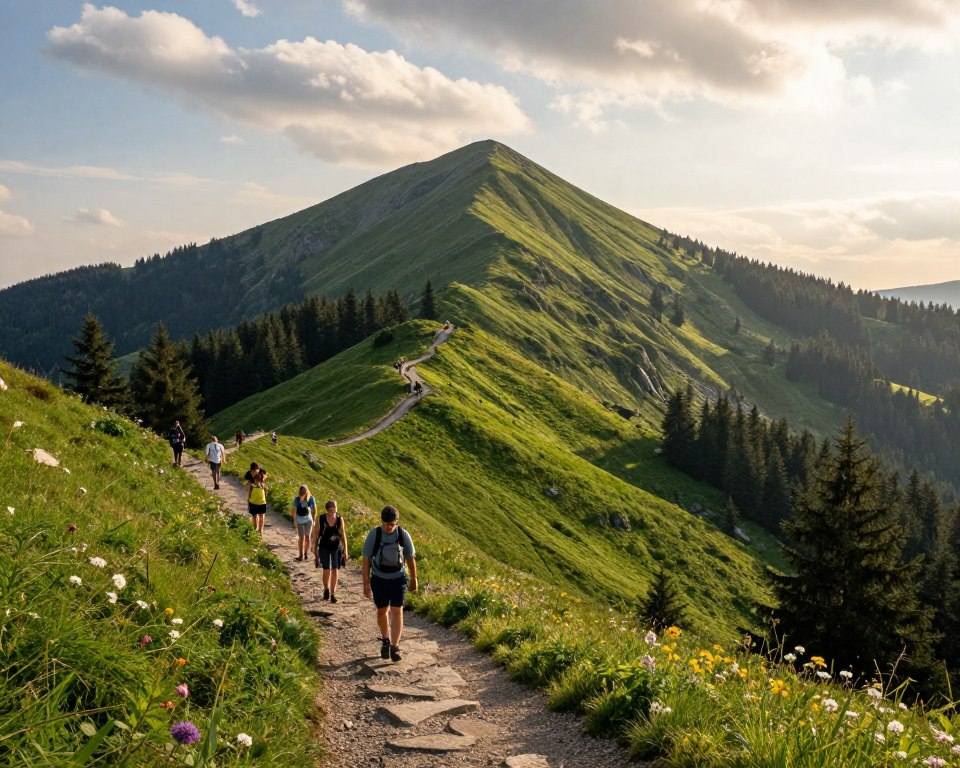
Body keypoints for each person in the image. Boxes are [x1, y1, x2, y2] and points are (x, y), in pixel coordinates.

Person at [362, 505, 417, 662]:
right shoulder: (375, 534)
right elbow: (365, 559)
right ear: (382, 522)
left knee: (397, 610)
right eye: (386, 524)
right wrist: (366, 584)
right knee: (382, 611)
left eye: (392, 524)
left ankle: (395, 646)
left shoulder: (402, 534)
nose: (389, 527)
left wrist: (414, 579)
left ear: (397, 522)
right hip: (379, 579)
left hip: (398, 578)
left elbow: (410, 557)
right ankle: (385, 639)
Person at [312, 500, 348, 603]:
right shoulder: (321, 518)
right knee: (326, 569)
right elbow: (316, 535)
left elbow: (343, 535)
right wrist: (315, 550)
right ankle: (326, 589)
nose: (334, 511)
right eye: (331, 509)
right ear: (327, 509)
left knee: (335, 570)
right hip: (324, 547)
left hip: (337, 547)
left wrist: (346, 550)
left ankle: (332, 594)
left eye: (334, 508)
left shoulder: (340, 519)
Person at [291, 485, 316, 562]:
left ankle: (305, 553)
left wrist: (314, 520)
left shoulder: (311, 498)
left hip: (308, 520)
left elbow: (314, 509)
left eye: (304, 491)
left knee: (307, 537)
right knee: (301, 537)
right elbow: (293, 510)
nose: (302, 492)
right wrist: (294, 519)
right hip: (299, 519)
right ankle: (301, 555)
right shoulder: (297, 499)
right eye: (301, 491)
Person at [244, 462, 268, 535]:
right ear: (251, 470)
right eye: (253, 472)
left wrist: (262, 480)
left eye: (256, 471)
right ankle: (255, 530)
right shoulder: (248, 475)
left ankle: (261, 530)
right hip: (253, 498)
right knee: (254, 515)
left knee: (262, 514)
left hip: (261, 498)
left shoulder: (262, 472)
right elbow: (247, 486)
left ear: (259, 469)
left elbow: (266, 476)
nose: (255, 473)